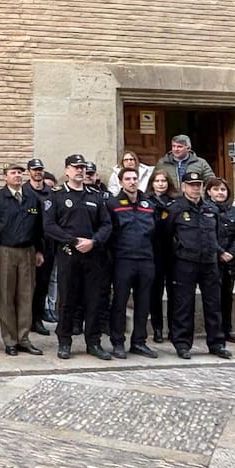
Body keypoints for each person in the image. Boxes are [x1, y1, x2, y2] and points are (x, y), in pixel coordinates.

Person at [43, 154, 113, 361]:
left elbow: (106, 224)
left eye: (82, 167)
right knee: (67, 300)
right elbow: (49, 226)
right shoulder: (56, 196)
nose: (80, 170)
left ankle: (94, 342)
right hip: (68, 254)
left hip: (92, 255)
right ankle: (64, 341)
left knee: (94, 300)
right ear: (67, 170)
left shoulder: (95, 196)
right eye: (75, 167)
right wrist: (73, 241)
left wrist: (94, 241)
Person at [164, 170, 232, 359]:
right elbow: (165, 237)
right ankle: (182, 344)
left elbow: (217, 235)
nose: (195, 189)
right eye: (191, 185)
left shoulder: (211, 209)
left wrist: (219, 253)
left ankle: (217, 343)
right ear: (184, 187)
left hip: (209, 263)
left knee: (213, 304)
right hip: (185, 263)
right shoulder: (175, 209)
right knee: (184, 305)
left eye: (198, 185)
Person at [0, 162, 44, 356]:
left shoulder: (32, 198)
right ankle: (10, 340)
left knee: (26, 296)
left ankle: (23, 338)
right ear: (5, 177)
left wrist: (39, 251)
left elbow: (39, 228)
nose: (17, 175)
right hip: (5, 251)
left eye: (20, 172)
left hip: (27, 252)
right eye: (13, 173)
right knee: (7, 296)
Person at [107, 168, 158, 359]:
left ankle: (139, 342)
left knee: (143, 303)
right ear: (121, 182)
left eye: (135, 178)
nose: (132, 182)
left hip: (145, 260)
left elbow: (156, 233)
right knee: (120, 303)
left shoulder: (149, 204)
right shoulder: (112, 204)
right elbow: (108, 232)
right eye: (128, 179)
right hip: (123, 260)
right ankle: (118, 342)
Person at [206, 176, 235, 344]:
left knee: (227, 296)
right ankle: (215, 331)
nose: (220, 192)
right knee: (213, 298)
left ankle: (227, 329)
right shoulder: (205, 209)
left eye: (223, 189)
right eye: (216, 189)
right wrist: (220, 252)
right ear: (209, 192)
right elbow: (207, 234)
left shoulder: (234, 211)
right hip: (212, 260)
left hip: (230, 261)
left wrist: (231, 253)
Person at [148, 169, 178, 344]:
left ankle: (174, 329)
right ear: (152, 183)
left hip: (173, 252)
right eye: (157, 181)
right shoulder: (147, 201)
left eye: (164, 181)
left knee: (175, 293)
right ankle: (157, 328)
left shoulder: (176, 201)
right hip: (154, 251)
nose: (160, 184)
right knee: (155, 292)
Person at [26, 158, 55, 334]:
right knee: (24, 286)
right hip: (27, 244)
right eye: (34, 169)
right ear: (29, 171)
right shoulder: (23, 191)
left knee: (42, 284)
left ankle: (37, 319)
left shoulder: (51, 193)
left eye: (40, 169)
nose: (38, 172)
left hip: (47, 245)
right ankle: (23, 320)